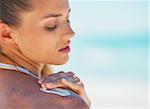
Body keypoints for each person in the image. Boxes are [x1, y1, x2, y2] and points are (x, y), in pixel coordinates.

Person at [0, 0, 91, 109]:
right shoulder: (63, 103)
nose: (70, 33)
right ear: (6, 33)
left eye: (67, 19)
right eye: (51, 26)